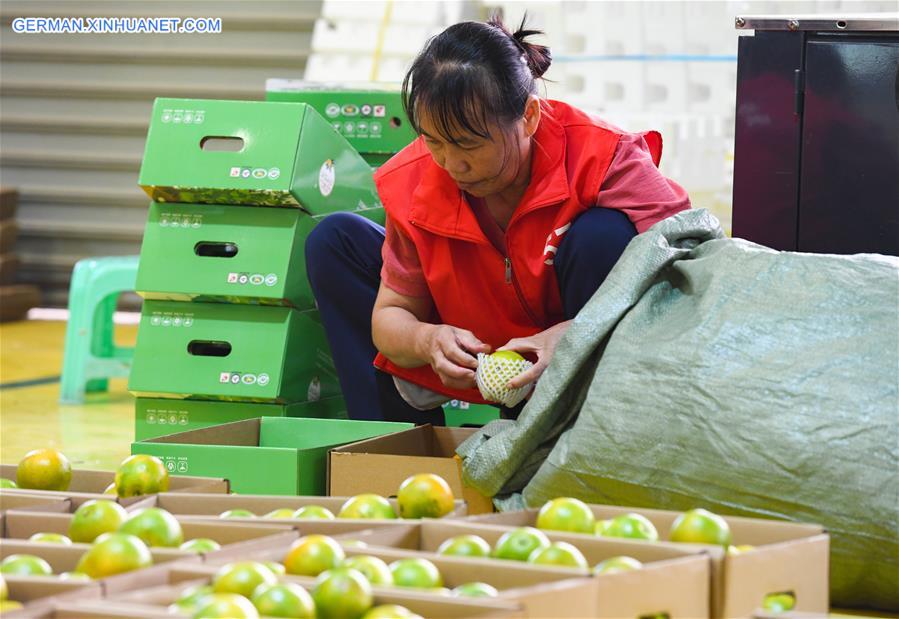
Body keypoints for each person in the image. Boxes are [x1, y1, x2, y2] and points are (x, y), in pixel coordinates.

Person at [306, 16, 690, 424]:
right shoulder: (413, 181)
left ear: (529, 117)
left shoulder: (600, 156)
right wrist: (427, 339)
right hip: (477, 341)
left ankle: (583, 430)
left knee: (603, 234)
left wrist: (576, 333)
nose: (452, 164)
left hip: (579, 357)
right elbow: (389, 318)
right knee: (335, 240)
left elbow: (693, 254)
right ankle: (393, 447)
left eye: (468, 144)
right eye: (434, 141)